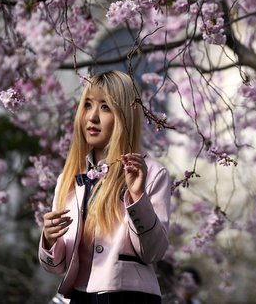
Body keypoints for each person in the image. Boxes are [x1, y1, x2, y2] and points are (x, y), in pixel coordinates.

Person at [39, 70, 171, 304]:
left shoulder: (151, 173)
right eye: (88, 105)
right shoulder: (68, 179)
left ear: (124, 115)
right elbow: (57, 266)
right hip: (79, 297)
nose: (92, 117)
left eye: (105, 107)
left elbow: (153, 252)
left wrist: (138, 196)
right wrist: (49, 240)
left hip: (129, 296)